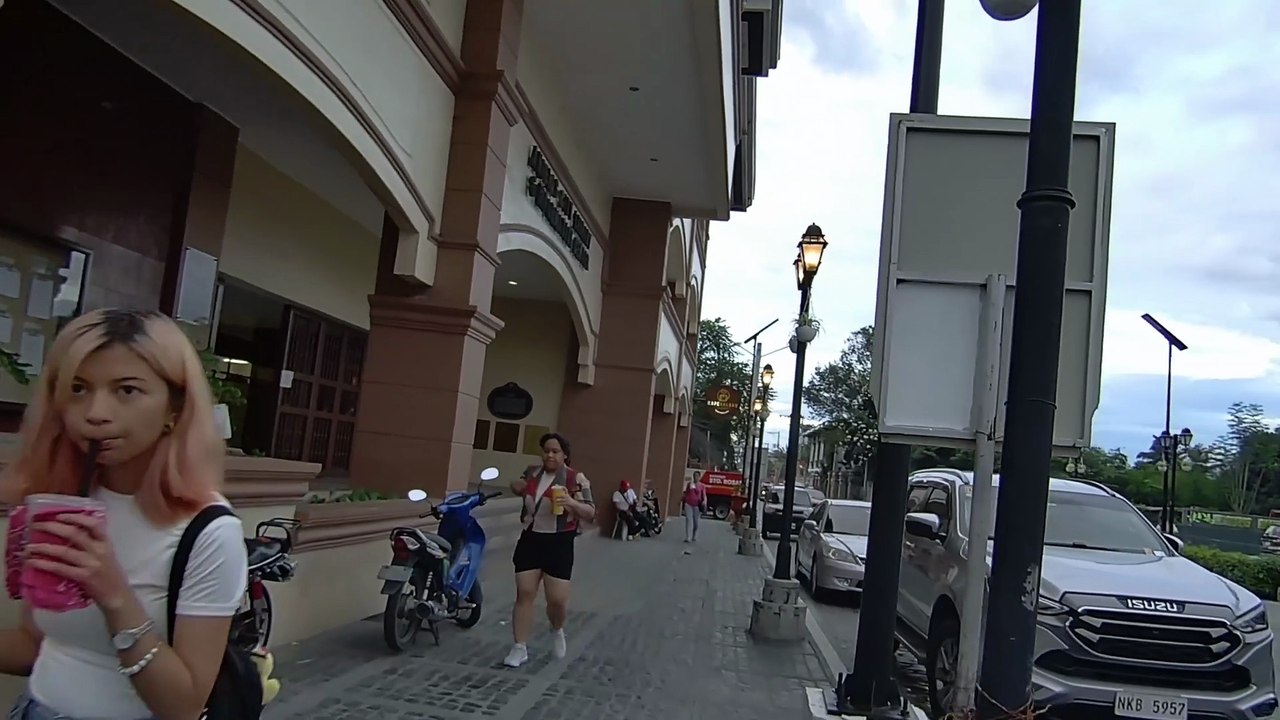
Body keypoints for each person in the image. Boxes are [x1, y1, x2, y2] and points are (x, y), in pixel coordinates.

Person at [0, 309, 248, 720]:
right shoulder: (58, 502)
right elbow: (37, 645)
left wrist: (113, 594)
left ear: (175, 407)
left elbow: (184, 706)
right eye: (78, 389)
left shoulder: (208, 531)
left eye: (126, 391)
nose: (95, 412)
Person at [505, 432, 594, 668]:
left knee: (556, 600)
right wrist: (518, 486)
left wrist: (572, 503)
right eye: (546, 451)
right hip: (531, 538)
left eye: (555, 451)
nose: (550, 455)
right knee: (524, 593)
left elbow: (591, 511)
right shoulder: (532, 472)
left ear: (565, 455)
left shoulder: (576, 479)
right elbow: (517, 487)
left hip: (559, 542)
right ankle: (519, 647)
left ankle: (557, 629)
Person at [682, 473, 708, 543]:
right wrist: (682, 500)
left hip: (697, 505)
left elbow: (704, 495)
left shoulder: (702, 486)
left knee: (696, 523)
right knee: (689, 520)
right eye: (694, 476)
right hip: (688, 504)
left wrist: (704, 502)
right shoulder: (689, 484)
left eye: (697, 476)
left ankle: (694, 535)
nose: (695, 477)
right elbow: (686, 493)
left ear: (699, 477)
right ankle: (688, 537)